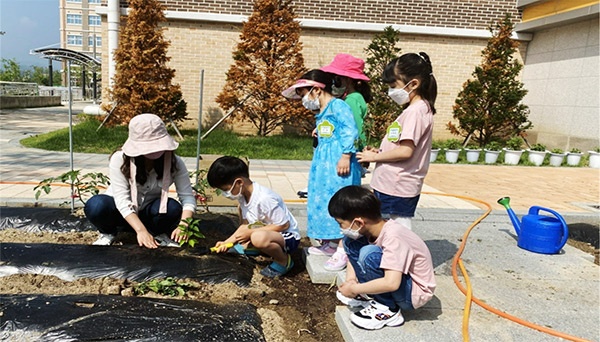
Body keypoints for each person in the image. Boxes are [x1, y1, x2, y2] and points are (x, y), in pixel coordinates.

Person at [282, 69, 362, 272]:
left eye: (304, 93)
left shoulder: (338, 106)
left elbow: (350, 130)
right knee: (323, 199)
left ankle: (345, 247)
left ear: (316, 90)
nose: (303, 99)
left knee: (342, 201)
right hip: (323, 163)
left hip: (338, 162)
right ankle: (331, 242)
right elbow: (333, 129)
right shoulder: (323, 111)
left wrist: (346, 155)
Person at [329, 185, 436, 330]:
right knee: (350, 241)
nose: (341, 227)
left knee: (369, 254)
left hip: (412, 294)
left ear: (359, 222)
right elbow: (352, 258)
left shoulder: (394, 237)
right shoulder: (373, 229)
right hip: (399, 282)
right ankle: (373, 296)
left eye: (341, 223)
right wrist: (350, 282)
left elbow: (392, 283)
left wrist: (355, 289)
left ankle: (388, 308)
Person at [85, 113, 197, 249]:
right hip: (121, 214)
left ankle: (157, 233)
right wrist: (140, 231)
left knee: (173, 208)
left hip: (150, 213)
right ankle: (108, 233)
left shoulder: (175, 163)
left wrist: (184, 225)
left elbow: (187, 198)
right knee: (96, 205)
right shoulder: (120, 160)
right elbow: (122, 200)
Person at [357, 52, 437, 230]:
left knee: (396, 229)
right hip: (394, 183)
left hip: (397, 185)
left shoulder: (415, 112)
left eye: (394, 85)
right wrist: (381, 152)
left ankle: (399, 256)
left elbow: (405, 151)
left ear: (414, 84)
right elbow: (401, 146)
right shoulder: (418, 109)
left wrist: (373, 158)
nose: (391, 91)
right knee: (391, 227)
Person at [206, 156, 301, 278]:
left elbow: (283, 224)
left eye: (225, 189)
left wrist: (251, 232)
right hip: (267, 231)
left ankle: (283, 261)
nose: (224, 194)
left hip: (288, 237)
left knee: (258, 237)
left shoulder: (265, 198)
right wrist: (227, 243)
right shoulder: (242, 197)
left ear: (239, 182)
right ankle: (253, 246)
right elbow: (245, 227)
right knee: (250, 229)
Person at [321, 53, 372, 153]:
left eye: (336, 79)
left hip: (350, 152)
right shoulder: (350, 98)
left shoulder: (352, 100)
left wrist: (361, 151)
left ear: (348, 80)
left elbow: (356, 126)